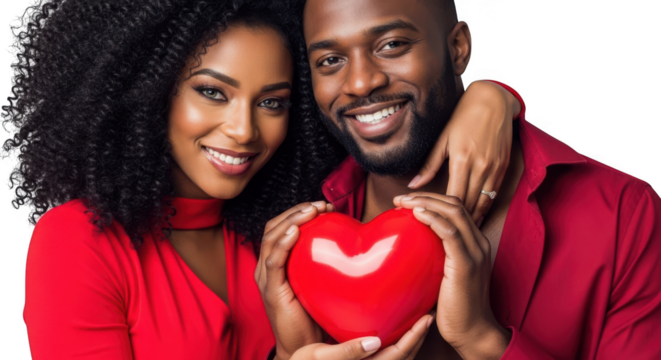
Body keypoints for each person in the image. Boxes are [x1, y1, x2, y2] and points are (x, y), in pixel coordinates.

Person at [4, 0, 526, 359]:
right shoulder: (77, 242)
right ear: (149, 88)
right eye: (212, 92)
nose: (243, 130)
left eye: (272, 102)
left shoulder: (286, 230)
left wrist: (491, 97)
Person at [257, 0, 661, 359]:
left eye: (392, 45)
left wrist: (482, 341)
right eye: (330, 60)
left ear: (458, 48)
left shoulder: (622, 213)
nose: (361, 83)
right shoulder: (290, 233)